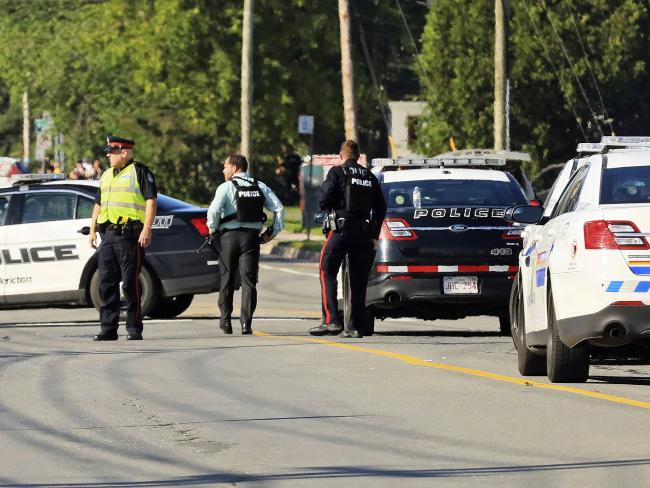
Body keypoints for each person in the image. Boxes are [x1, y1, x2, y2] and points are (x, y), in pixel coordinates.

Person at [309, 140, 386, 338]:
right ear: (358, 156)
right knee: (358, 282)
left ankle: (332, 321)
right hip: (363, 233)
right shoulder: (369, 176)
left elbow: (323, 200)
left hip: (341, 230)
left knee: (326, 271)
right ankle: (355, 327)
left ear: (341, 156)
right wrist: (373, 234)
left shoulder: (337, 172)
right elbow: (381, 208)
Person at [89, 136, 157, 341]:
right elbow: (98, 204)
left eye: (112, 151)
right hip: (107, 235)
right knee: (106, 282)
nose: (108, 155)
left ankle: (134, 328)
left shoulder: (140, 171)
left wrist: (147, 229)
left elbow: (151, 201)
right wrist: (92, 229)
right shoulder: (107, 174)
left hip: (129, 235)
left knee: (129, 283)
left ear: (124, 152)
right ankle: (108, 328)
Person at [207, 154, 284, 335]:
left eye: (225, 166)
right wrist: (271, 233)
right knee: (249, 282)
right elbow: (279, 208)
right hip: (251, 239)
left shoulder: (225, 187)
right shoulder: (260, 186)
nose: (223, 170)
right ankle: (246, 324)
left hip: (228, 238)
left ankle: (226, 322)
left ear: (234, 168)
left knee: (226, 280)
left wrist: (212, 229)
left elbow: (215, 210)